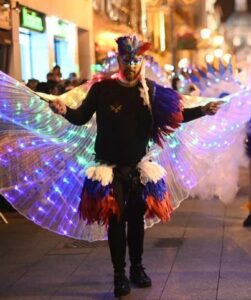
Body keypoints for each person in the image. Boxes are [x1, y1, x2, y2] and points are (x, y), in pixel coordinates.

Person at [48, 35, 222, 298]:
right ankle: (120, 274)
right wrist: (63, 110)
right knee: (116, 222)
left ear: (142, 61)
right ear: (118, 59)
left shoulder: (150, 91)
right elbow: (80, 117)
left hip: (139, 168)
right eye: (126, 59)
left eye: (136, 59)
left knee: (136, 221)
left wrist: (203, 110)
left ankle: (137, 268)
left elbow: (176, 115)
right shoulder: (102, 89)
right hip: (108, 169)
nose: (131, 64)